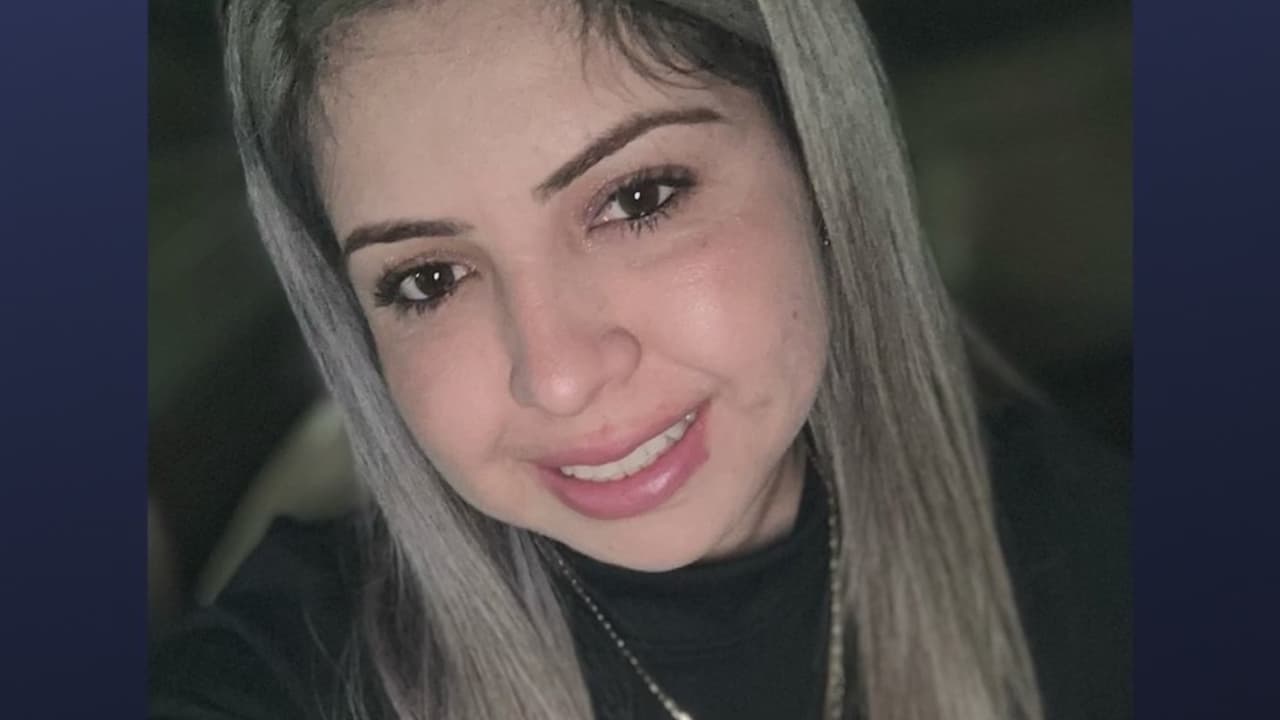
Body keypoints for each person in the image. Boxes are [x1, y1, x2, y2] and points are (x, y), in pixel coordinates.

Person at [150, 1, 1130, 719]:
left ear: (814, 158)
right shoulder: (296, 671)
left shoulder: (1087, 543)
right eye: (429, 278)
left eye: (637, 198)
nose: (558, 375)